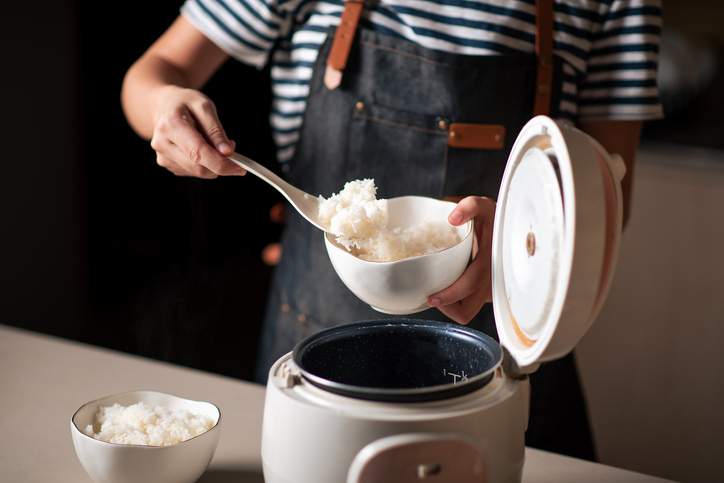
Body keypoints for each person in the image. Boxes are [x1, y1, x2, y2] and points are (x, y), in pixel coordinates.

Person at [122, 0, 662, 460]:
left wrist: (521, 236)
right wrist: (164, 106)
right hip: (315, 356)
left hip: (503, 358)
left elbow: (609, 197)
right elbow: (155, 72)